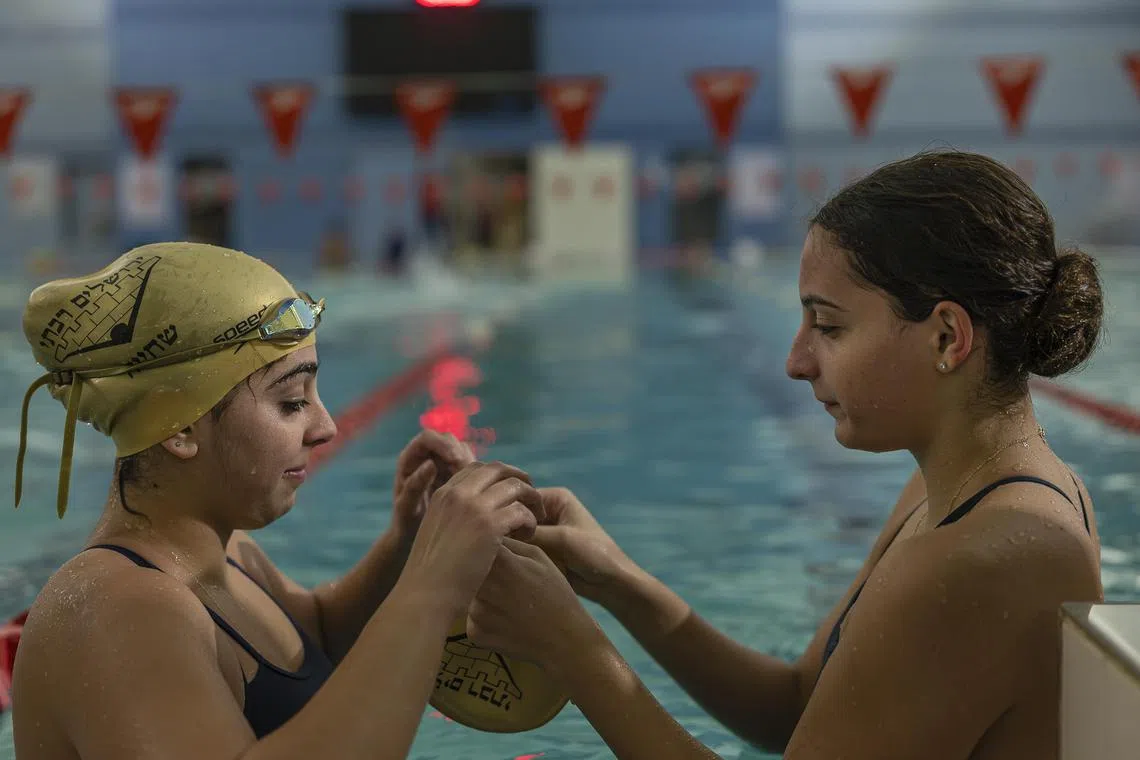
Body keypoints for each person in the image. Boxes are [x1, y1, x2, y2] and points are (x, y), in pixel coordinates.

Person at [463, 150, 1106, 759]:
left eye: (828, 326)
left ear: (946, 336)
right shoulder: (961, 497)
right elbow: (799, 706)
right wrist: (618, 582)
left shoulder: (987, 557)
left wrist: (574, 651)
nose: (796, 362)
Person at [9, 242, 548, 759]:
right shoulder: (116, 611)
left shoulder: (224, 553)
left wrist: (407, 542)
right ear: (180, 426)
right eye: (292, 402)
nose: (327, 427)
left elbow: (312, 641)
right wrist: (433, 589)